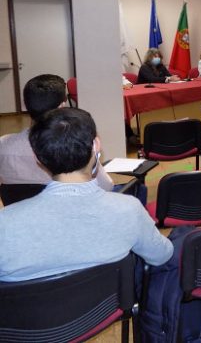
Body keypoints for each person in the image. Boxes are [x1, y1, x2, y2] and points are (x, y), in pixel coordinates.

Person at [0, 107, 173, 282]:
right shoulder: (129, 209)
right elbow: (162, 256)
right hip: (109, 299)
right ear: (96, 145)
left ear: (38, 159)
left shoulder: (5, 224)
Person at [0, 74, 113, 190]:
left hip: (19, 202)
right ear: (62, 106)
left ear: (24, 105)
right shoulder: (74, 147)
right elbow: (106, 186)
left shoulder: (3, 144)